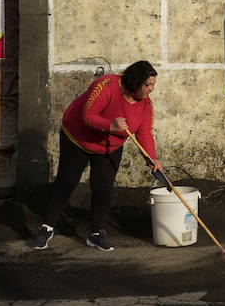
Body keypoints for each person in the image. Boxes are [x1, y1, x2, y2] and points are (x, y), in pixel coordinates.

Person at [30, 60, 167, 251]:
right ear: (135, 81)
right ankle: (47, 228)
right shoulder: (106, 85)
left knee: (103, 188)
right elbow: (87, 115)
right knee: (67, 181)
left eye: (153, 85)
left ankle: (96, 233)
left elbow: (144, 133)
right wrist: (111, 126)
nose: (151, 89)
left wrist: (151, 158)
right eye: (148, 84)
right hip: (77, 139)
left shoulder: (145, 105)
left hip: (109, 147)